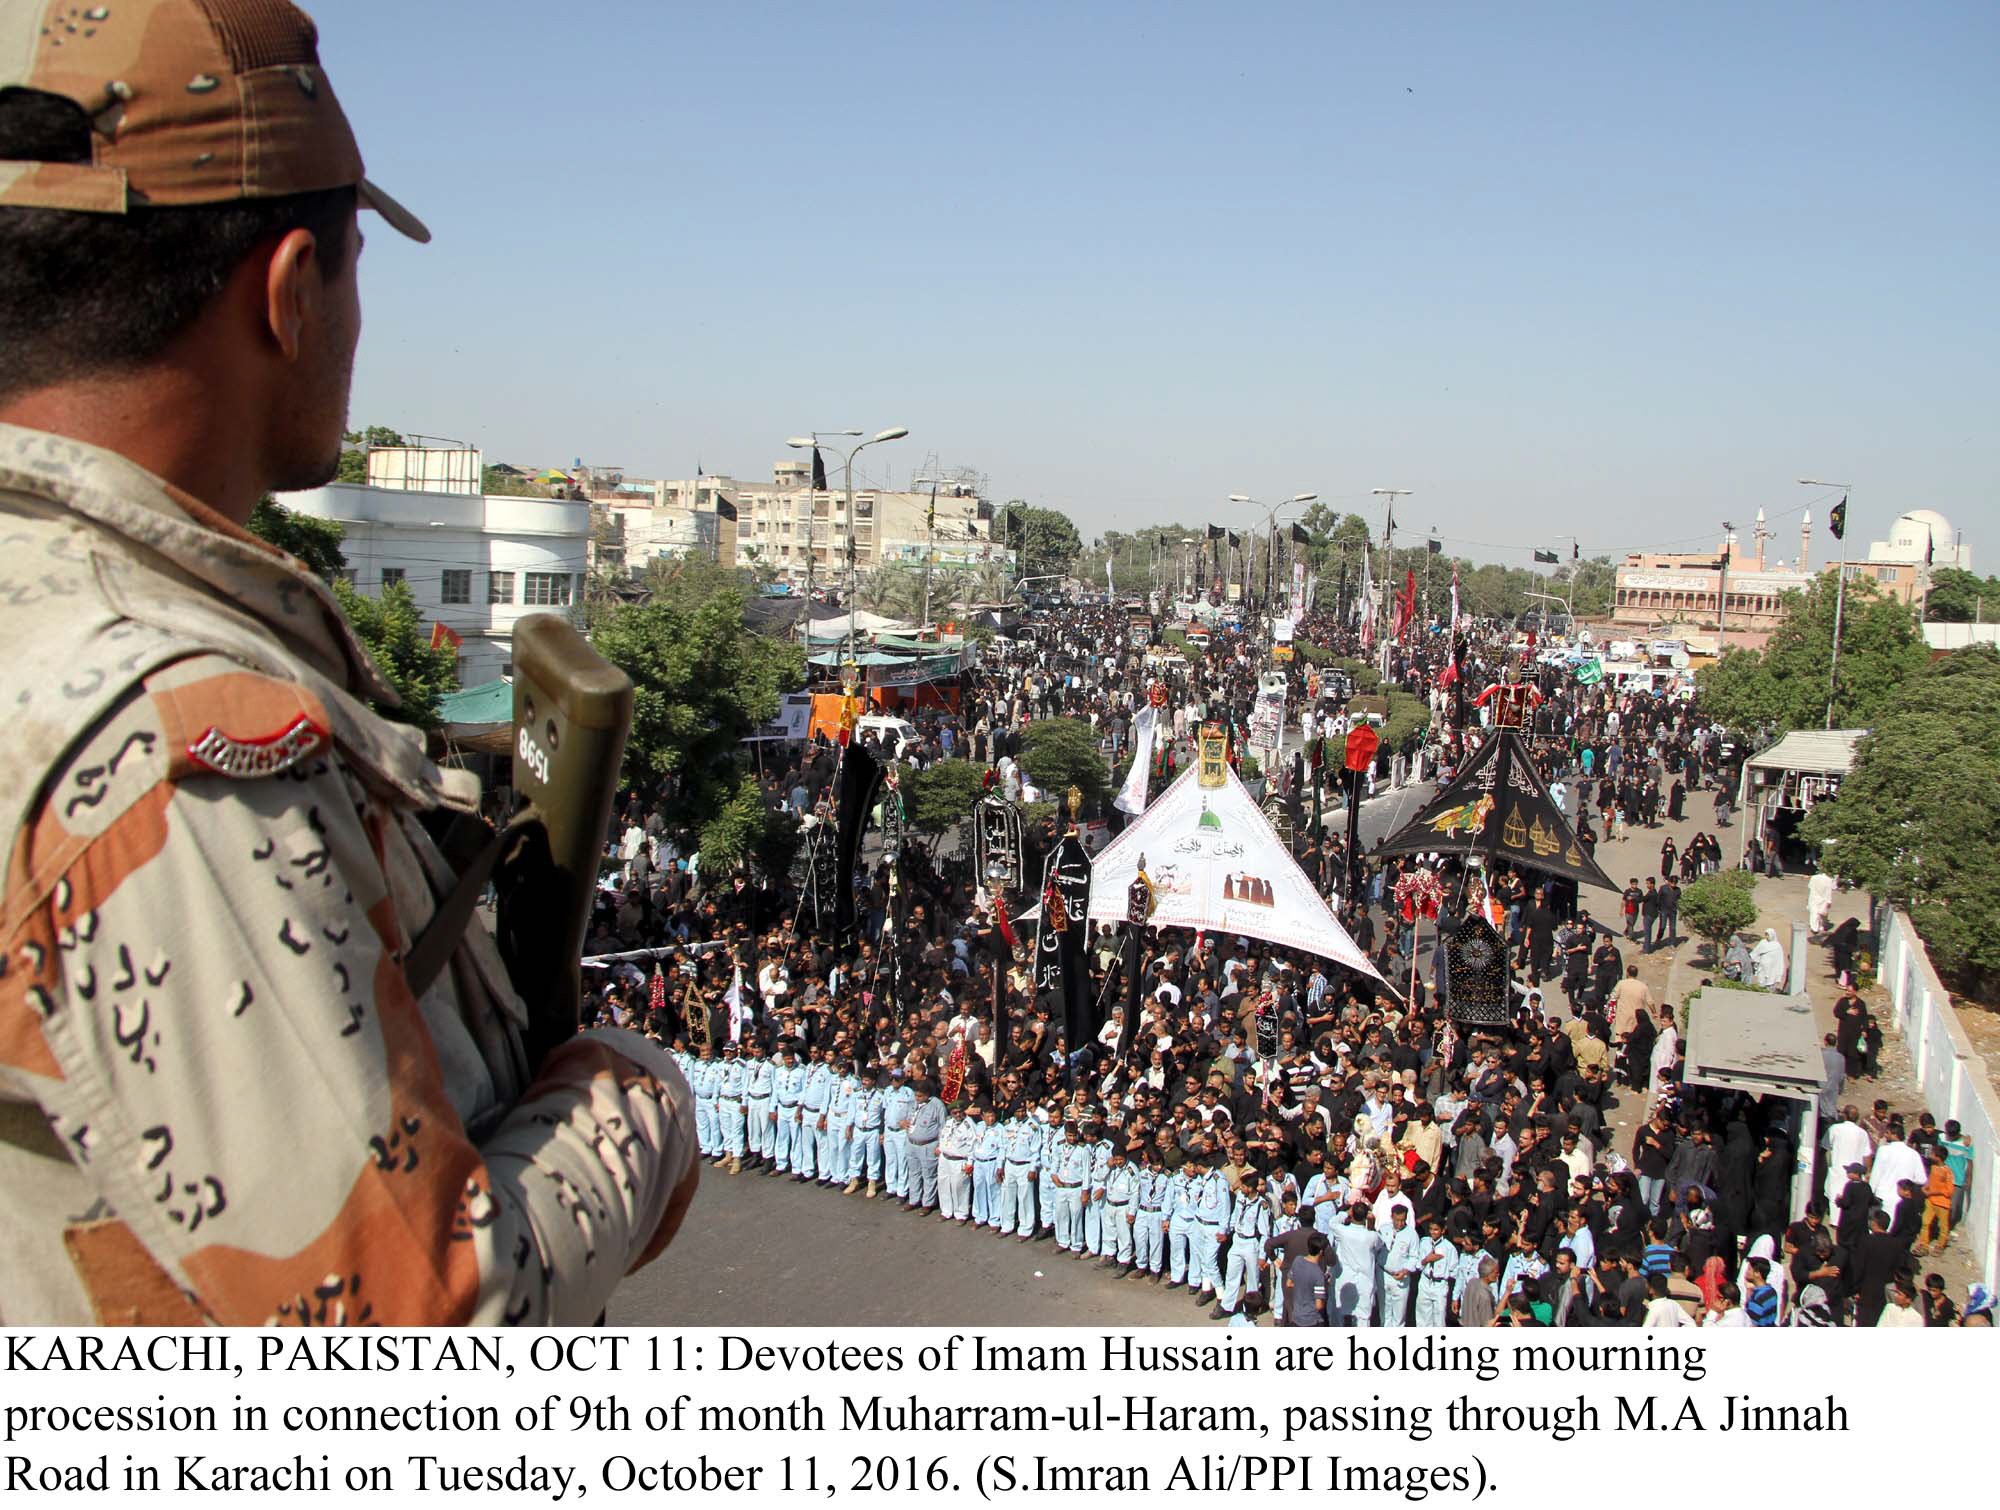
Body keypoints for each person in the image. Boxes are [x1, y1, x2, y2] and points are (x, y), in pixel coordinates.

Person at [0, 0, 701, 1324]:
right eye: (356, 262)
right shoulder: (170, 730)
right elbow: (404, 1330)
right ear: (287, 293)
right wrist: (632, 1102)